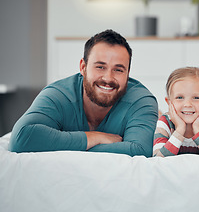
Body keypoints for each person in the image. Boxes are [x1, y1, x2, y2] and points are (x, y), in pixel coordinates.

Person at [9, 29, 158, 157]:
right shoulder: (58, 95)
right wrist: (93, 138)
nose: (108, 78)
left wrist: (60, 143)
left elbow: (140, 150)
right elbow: (22, 138)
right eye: (100, 67)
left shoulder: (142, 101)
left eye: (118, 70)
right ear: (83, 67)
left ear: (128, 73)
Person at [153, 67, 199, 156]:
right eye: (180, 97)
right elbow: (158, 159)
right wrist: (179, 130)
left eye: (196, 98)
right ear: (169, 102)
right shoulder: (165, 122)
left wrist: (198, 130)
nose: (187, 104)